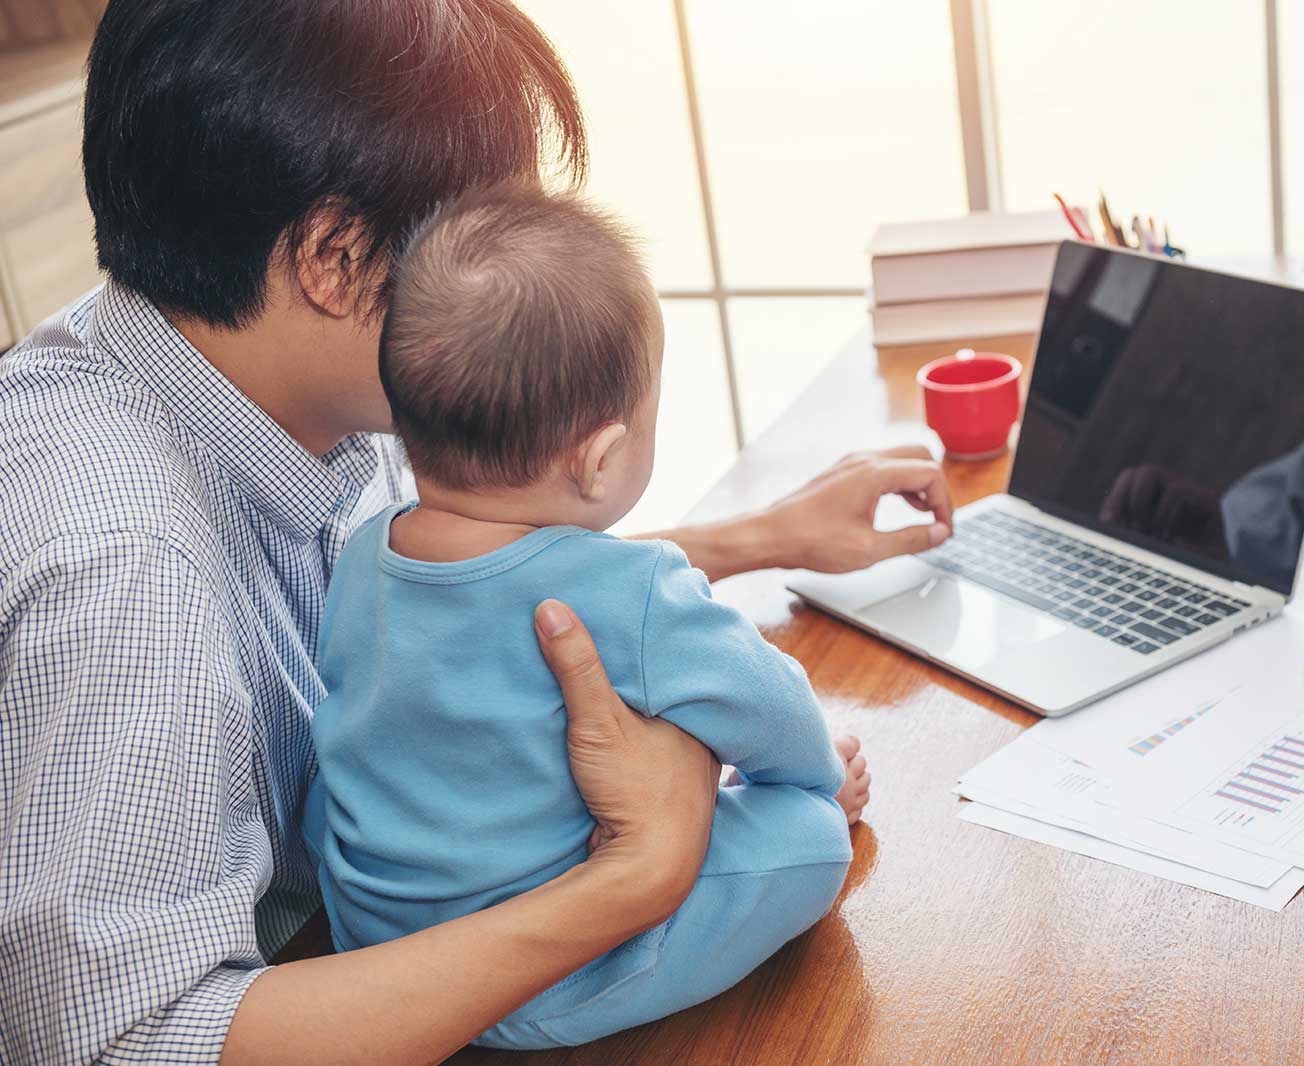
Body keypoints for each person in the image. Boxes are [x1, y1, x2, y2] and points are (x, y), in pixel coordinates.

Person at [0, 3, 952, 1063]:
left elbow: (480, 581)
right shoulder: (124, 569)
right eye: (477, 227)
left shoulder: (264, 378)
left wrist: (760, 535)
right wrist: (631, 880)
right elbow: (116, 1041)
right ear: (332, 256)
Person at [305, 186, 870, 1049]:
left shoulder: (360, 553)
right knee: (813, 840)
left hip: (376, 952)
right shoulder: (633, 588)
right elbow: (769, 706)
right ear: (603, 459)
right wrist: (824, 772)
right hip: (556, 974)